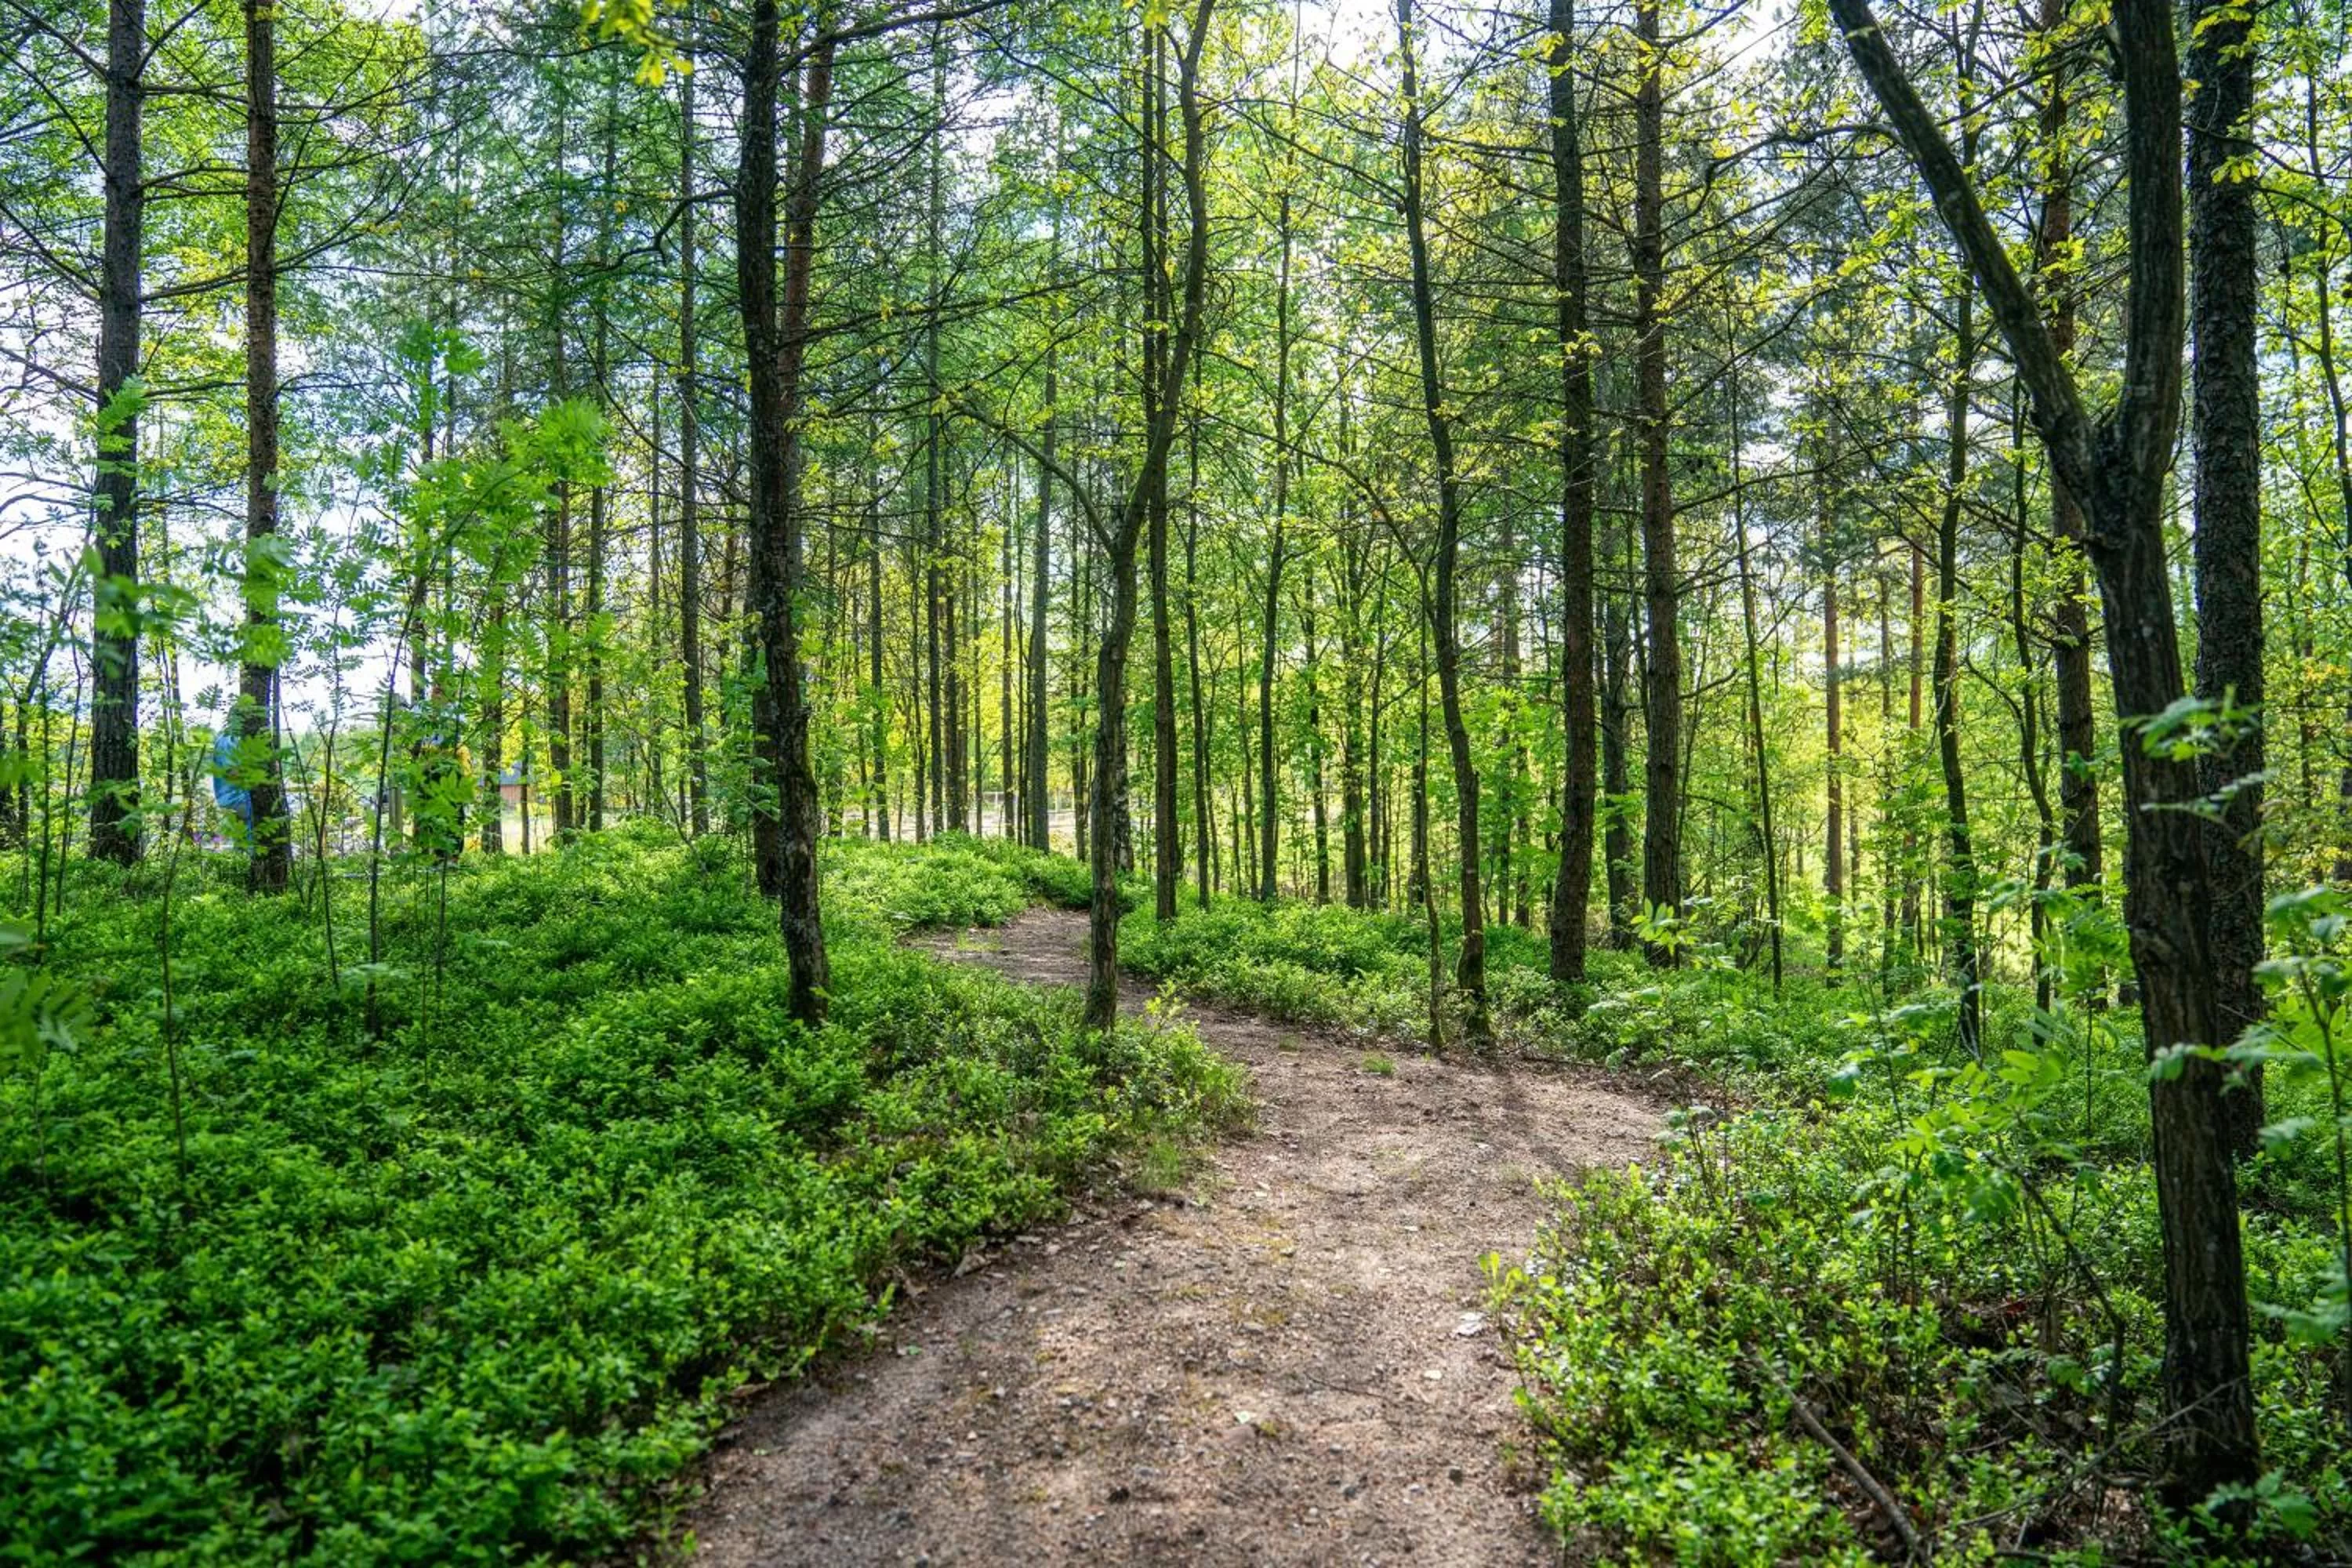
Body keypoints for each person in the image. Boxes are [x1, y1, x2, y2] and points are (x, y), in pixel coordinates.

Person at [212, 728, 256, 844]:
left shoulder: (227, 738)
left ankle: (243, 859)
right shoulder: (229, 739)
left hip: (234, 798)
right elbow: (232, 773)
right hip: (236, 798)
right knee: (251, 838)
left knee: (242, 839)